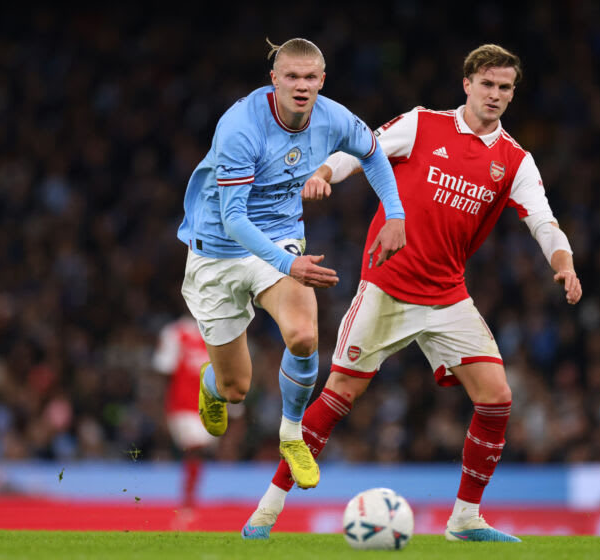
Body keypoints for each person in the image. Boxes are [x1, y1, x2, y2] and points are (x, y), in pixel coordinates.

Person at [243, 44, 582, 542]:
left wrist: (565, 264)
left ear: (512, 94)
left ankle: (465, 519)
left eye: (504, 87)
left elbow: (545, 223)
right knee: (339, 395)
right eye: (486, 84)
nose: (494, 94)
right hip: (387, 288)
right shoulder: (424, 124)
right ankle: (266, 512)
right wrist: (321, 172)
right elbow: (359, 151)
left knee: (497, 398)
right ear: (467, 84)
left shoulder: (515, 161)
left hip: (448, 297)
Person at [176, 38, 406, 493]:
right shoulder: (240, 126)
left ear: (322, 80)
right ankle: (213, 384)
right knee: (237, 387)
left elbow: (373, 152)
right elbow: (233, 217)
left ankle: (291, 433)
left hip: (280, 235)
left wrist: (396, 214)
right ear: (274, 80)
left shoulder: (334, 116)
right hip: (218, 249)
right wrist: (289, 264)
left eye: (310, 78)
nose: (301, 86)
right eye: (292, 77)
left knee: (303, 336)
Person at [152, 315, 214, 508]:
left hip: (212, 407)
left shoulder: (220, 330)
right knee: (195, 447)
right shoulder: (175, 332)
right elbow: (164, 371)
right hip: (183, 406)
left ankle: (191, 496)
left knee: (200, 451)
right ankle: (188, 499)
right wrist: (161, 408)